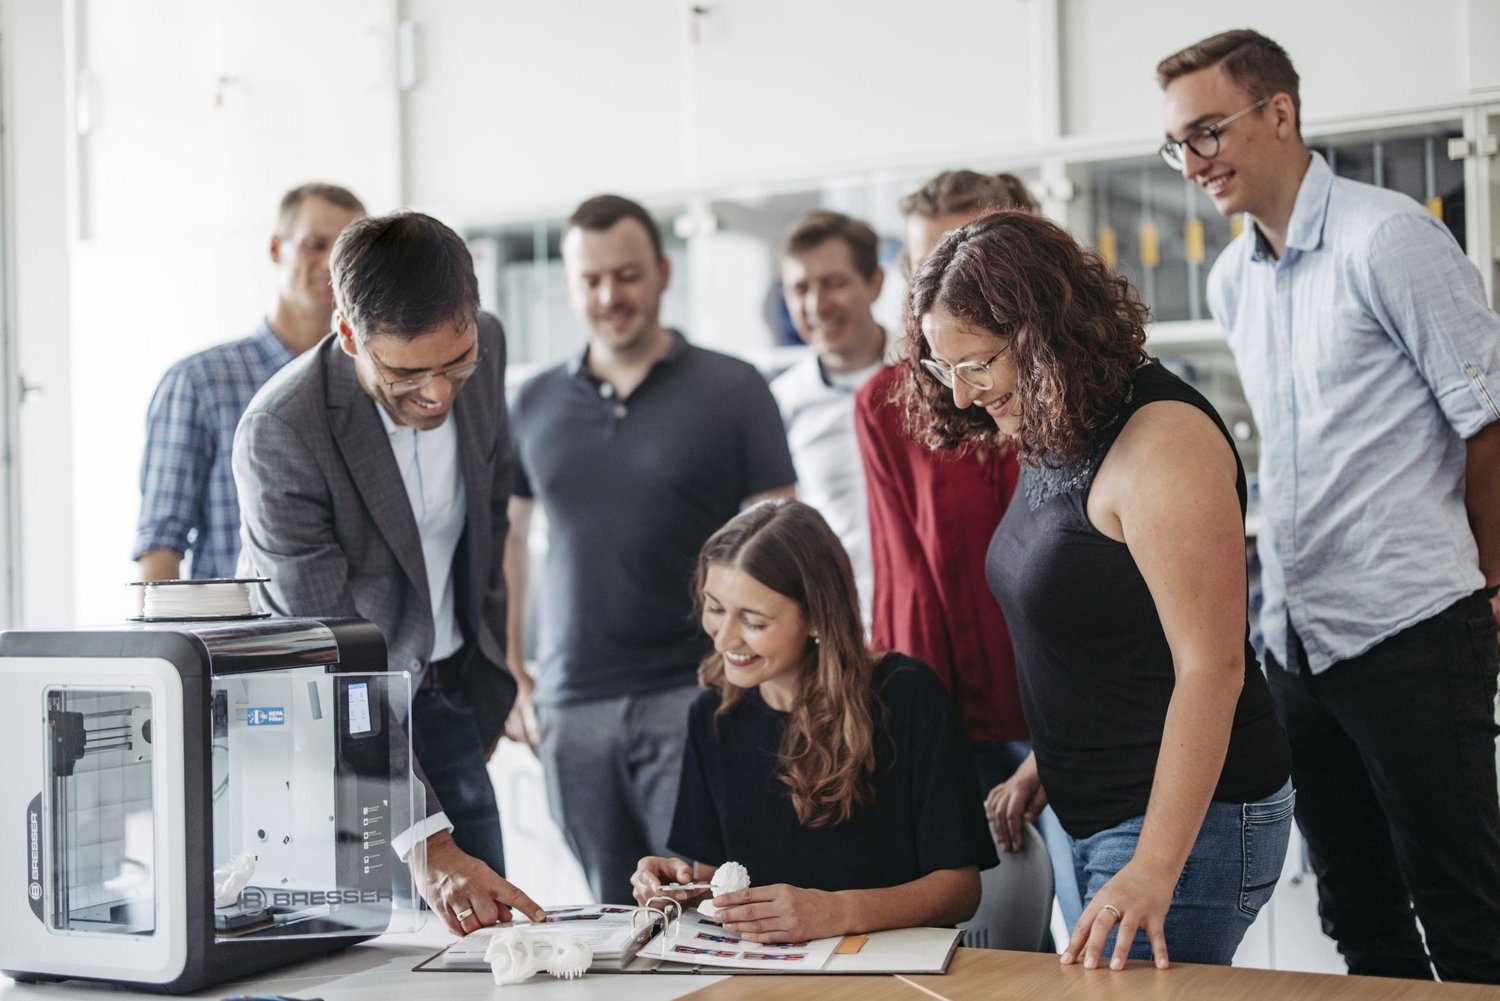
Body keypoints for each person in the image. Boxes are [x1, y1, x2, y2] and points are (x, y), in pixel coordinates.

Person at [1159, 29, 1500, 983]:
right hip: (1299, 640)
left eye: (1209, 132)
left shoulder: (1387, 235)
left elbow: (1490, 420)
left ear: (1280, 113)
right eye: (1177, 144)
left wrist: (1492, 587)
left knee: (1466, 910)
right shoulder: (1232, 280)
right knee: (1355, 915)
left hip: (1416, 624)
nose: (1194, 162)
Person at [902, 210, 1293, 970]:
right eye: (943, 366)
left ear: (1040, 333)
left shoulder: (1162, 444)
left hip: (1189, 822)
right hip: (1090, 809)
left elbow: (1211, 669)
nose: (961, 392)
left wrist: (1151, 866)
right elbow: (1103, 619)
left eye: (977, 363)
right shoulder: (1059, 418)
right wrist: (1042, 764)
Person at [233, 211, 542, 935]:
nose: (437, 394)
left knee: (489, 941)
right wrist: (423, 837)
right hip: (329, 730)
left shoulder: (486, 344)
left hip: (451, 692)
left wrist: (487, 669)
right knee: (379, 954)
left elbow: (491, 514)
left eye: (453, 364)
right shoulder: (282, 431)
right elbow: (326, 654)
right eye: (406, 373)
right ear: (348, 335)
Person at [506, 194, 797, 904]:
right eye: (592, 279)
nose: (611, 295)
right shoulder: (534, 400)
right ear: (571, 285)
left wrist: (762, 672)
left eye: (628, 274)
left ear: (664, 273)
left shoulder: (732, 386)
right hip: (573, 703)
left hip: (697, 689)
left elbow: (780, 538)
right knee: (610, 908)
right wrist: (511, 668)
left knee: (707, 899)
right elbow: (509, 539)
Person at [855, 169, 1083, 934]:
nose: (944, 280)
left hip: (1072, 710)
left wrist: (1061, 728)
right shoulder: (889, 400)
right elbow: (905, 578)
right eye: (927, 261)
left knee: (1092, 925)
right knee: (989, 944)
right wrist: (919, 737)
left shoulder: (1071, 389)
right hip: (958, 717)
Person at [630, 499, 996, 943]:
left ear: (817, 618)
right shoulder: (713, 714)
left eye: (753, 620)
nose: (724, 638)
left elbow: (960, 891)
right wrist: (680, 889)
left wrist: (834, 911)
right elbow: (717, 882)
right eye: (715, 608)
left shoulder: (909, 694)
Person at [134, 183, 365, 580]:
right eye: (315, 244)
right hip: (231, 637)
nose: (331, 263)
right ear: (276, 248)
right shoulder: (200, 382)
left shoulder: (370, 378)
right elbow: (160, 543)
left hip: (353, 633)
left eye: (346, 251)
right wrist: (161, 643)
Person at [769, 211, 888, 628]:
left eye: (834, 283)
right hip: (842, 631)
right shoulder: (779, 403)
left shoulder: (934, 380)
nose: (816, 305)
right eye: (799, 289)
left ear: (875, 283)